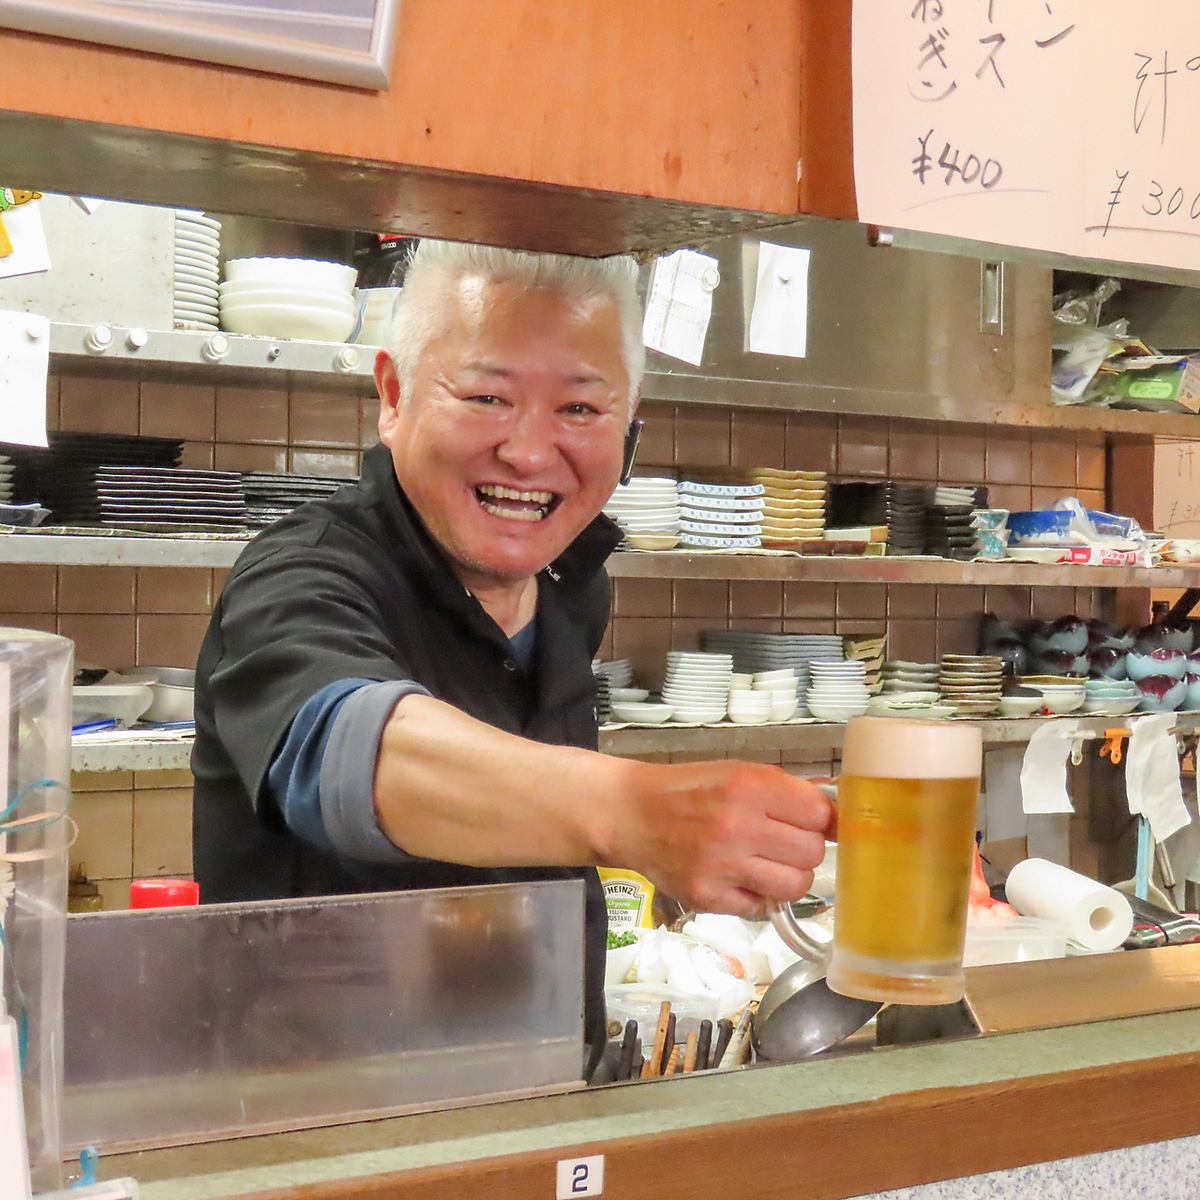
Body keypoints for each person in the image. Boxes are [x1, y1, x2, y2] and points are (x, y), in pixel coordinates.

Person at [191, 239, 832, 1059]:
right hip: (322, 1125)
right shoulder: (305, 571)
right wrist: (633, 811)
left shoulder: (570, 584)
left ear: (630, 426)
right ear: (393, 392)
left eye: (579, 410)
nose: (530, 453)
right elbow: (338, 751)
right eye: (488, 397)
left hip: (537, 1098)